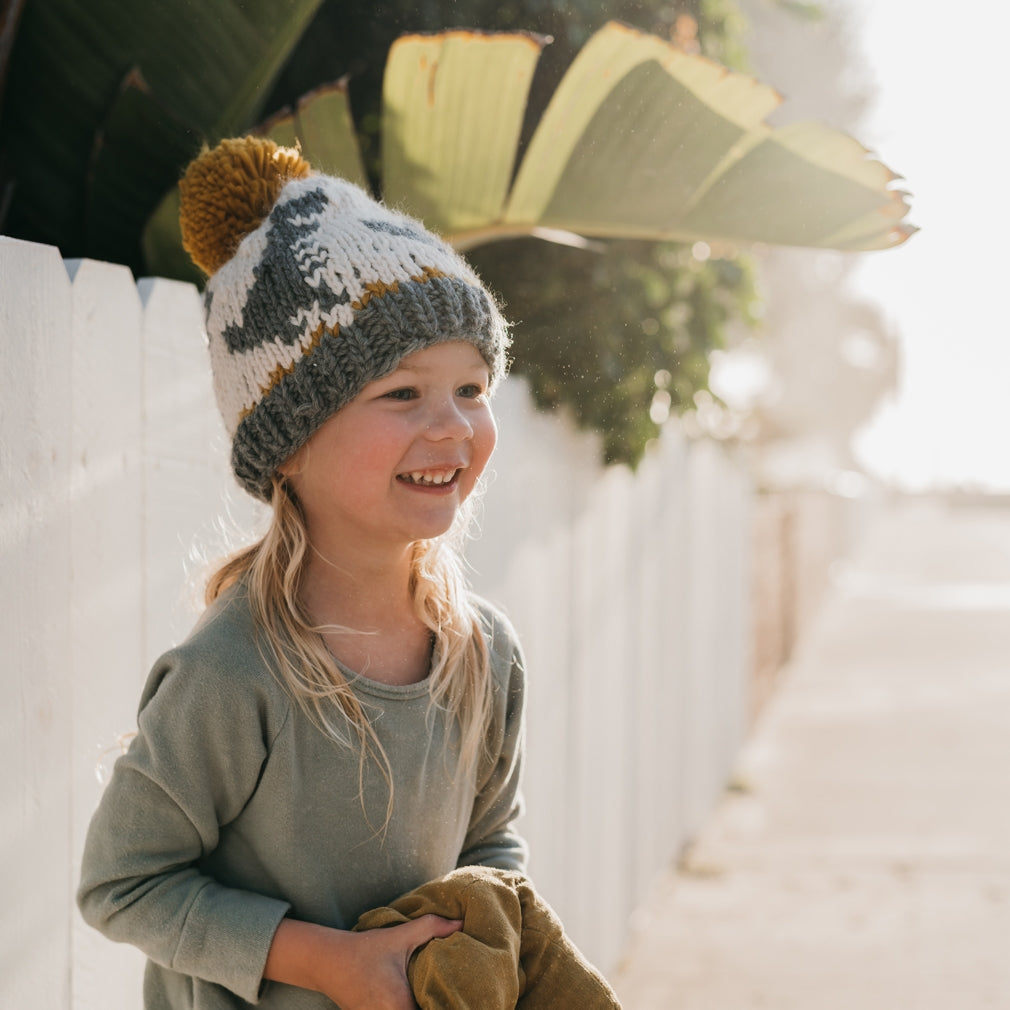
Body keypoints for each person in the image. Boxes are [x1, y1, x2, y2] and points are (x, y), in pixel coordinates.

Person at [77, 136, 527, 1010]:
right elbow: (122, 883)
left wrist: (491, 955)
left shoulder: (486, 655)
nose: (452, 425)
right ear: (289, 443)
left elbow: (492, 847)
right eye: (402, 393)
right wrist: (326, 962)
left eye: (472, 389)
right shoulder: (233, 671)